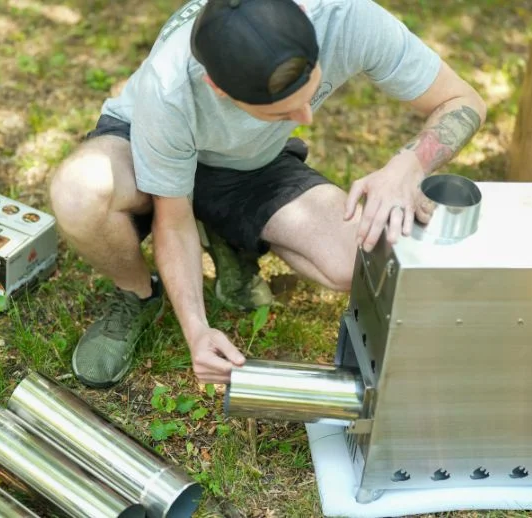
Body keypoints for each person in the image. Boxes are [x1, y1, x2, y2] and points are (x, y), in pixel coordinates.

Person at [49, 0, 486, 388]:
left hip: (247, 165)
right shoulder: (169, 87)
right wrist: (197, 331)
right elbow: (172, 219)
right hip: (145, 143)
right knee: (79, 194)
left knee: (359, 260)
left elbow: (464, 100)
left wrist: (407, 166)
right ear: (217, 87)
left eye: (312, 93)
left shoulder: (346, 15)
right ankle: (137, 293)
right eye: (282, 113)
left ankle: (226, 232)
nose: (306, 119)